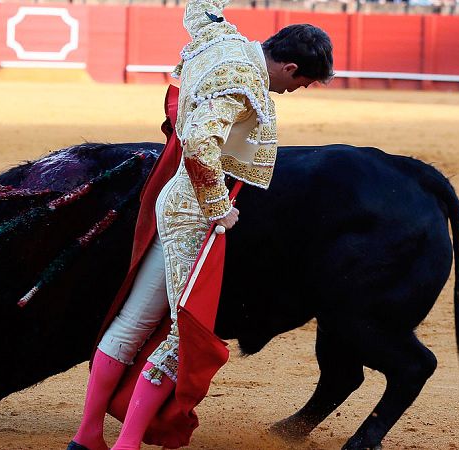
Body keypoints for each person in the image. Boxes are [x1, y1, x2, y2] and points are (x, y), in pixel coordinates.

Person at [68, 1, 334, 449]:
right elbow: (198, 144)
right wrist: (217, 206)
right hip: (193, 213)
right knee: (181, 334)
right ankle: (126, 444)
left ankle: (87, 434)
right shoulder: (245, 85)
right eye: (299, 83)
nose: (294, 91)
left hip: (170, 199)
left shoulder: (223, 39)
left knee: (134, 321)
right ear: (289, 67)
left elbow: (201, 8)